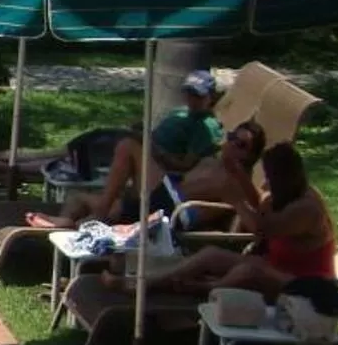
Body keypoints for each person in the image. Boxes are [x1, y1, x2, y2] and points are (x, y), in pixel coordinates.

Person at [28, 70, 228, 228]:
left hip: (165, 185)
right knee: (76, 193)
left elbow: (185, 166)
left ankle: (94, 216)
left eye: (198, 96)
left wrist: (155, 151)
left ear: (210, 97)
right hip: (151, 173)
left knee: (124, 146)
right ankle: (67, 222)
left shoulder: (207, 126)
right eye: (189, 93)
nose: (192, 99)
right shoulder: (182, 112)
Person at [151, 141, 338, 300]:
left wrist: (236, 201)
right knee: (211, 255)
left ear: (284, 178)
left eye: (269, 178)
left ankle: (203, 288)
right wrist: (236, 171)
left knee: (248, 270)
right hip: (274, 268)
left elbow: (262, 229)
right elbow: (260, 204)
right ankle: (153, 282)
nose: (265, 183)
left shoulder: (307, 208)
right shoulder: (287, 194)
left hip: (307, 285)